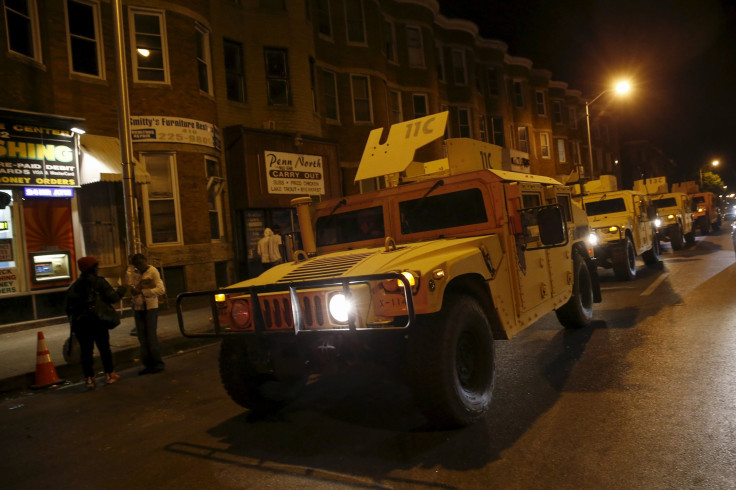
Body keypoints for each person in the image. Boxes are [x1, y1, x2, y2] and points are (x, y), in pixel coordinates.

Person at [66, 256, 126, 389]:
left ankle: (89, 379)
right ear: (93, 268)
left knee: (86, 351)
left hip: (81, 324)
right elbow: (113, 298)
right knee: (104, 348)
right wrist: (122, 290)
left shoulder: (75, 285)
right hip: (98, 321)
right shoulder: (99, 282)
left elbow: (68, 308)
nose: (98, 268)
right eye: (96, 266)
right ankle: (110, 375)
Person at [129, 253, 166, 375]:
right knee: (142, 337)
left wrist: (144, 292)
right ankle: (148, 364)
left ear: (145, 261)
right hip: (138, 307)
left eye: (141, 263)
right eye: (137, 265)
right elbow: (131, 286)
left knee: (151, 336)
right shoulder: (134, 273)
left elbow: (161, 289)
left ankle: (158, 363)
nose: (139, 267)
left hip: (150, 307)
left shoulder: (153, 271)